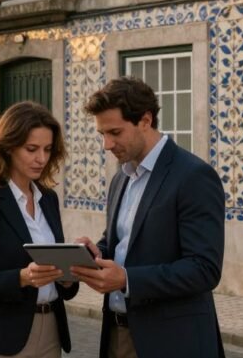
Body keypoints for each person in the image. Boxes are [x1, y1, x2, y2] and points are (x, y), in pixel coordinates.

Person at [70, 77, 225, 358]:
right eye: (102, 134)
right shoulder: (121, 177)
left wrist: (127, 280)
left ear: (145, 120)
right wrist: (92, 254)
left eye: (115, 132)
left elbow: (204, 269)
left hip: (173, 342)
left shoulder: (193, 176)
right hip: (117, 335)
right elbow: (120, 244)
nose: (107, 144)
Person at [0, 101, 79, 358]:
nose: (41, 158)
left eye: (47, 149)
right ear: (9, 147)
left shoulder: (48, 199)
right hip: (3, 339)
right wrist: (22, 278)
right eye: (31, 149)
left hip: (52, 332)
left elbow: (63, 284)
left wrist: (68, 276)